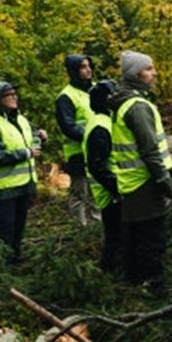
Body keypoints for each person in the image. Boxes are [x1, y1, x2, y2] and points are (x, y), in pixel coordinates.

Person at [109, 50, 172, 292]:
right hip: (145, 183)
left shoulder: (126, 102)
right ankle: (152, 286)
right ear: (136, 74)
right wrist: (166, 184)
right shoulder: (137, 106)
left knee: (136, 235)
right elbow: (150, 151)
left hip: (132, 182)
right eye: (148, 69)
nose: (154, 73)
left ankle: (133, 282)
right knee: (151, 238)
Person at [0, 81, 47, 266]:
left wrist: (40, 136)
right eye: (8, 95)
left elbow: (31, 140)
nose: (14, 97)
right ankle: (5, 270)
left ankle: (15, 263)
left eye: (14, 93)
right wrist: (24, 154)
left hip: (24, 184)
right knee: (6, 232)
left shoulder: (21, 119)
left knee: (19, 229)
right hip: (5, 188)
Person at [84, 79, 125, 275]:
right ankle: (111, 276)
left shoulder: (106, 121)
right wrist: (117, 188)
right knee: (115, 238)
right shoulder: (101, 127)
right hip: (111, 193)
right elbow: (97, 165)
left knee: (117, 236)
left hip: (113, 189)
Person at [55, 53, 100, 226]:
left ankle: (97, 228)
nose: (88, 70)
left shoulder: (96, 89)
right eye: (83, 67)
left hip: (99, 151)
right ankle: (82, 229)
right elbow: (68, 126)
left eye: (89, 66)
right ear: (73, 70)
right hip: (79, 154)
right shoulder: (66, 97)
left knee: (97, 192)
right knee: (81, 194)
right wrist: (94, 135)